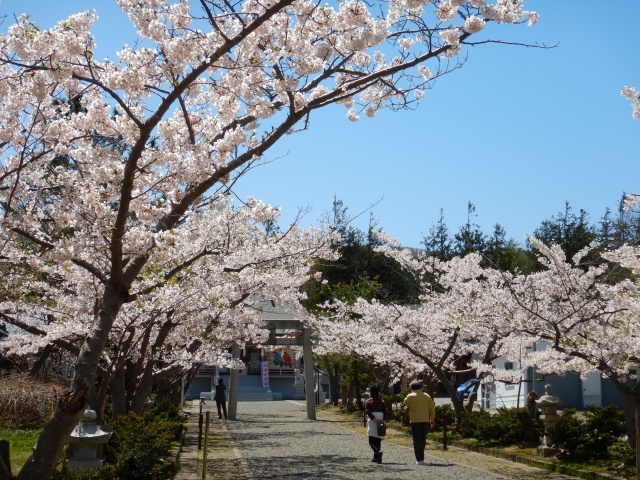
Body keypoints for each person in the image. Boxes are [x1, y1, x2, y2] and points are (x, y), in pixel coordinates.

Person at [403, 380, 435, 465]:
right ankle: (421, 456)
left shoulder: (410, 396)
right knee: (422, 439)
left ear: (411, 388)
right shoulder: (426, 395)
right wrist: (432, 419)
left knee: (416, 440)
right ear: (421, 387)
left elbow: (405, 403)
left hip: (415, 420)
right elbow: (432, 408)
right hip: (425, 420)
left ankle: (420, 459)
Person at [363, 385, 388, 464]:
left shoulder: (368, 401)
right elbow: (386, 411)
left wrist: (373, 418)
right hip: (381, 418)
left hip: (373, 419)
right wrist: (383, 420)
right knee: (378, 439)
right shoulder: (382, 401)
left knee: (371, 439)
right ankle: (377, 458)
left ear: (370, 393)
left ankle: (377, 452)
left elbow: (367, 410)